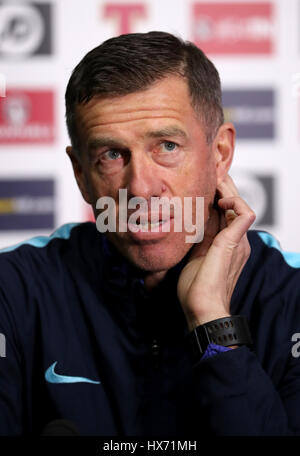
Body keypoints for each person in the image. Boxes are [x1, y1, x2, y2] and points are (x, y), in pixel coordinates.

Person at [0, 31, 300, 436]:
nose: (140, 187)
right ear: (81, 175)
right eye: (111, 155)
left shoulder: (291, 293)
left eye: (167, 146)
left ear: (220, 154)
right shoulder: (14, 289)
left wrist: (212, 321)